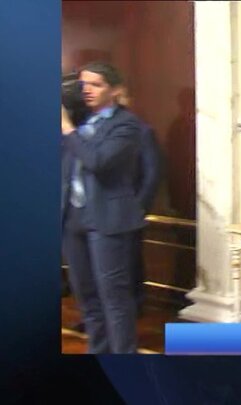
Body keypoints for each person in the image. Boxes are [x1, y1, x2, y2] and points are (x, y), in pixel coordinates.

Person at [61, 61, 145, 353]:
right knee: (87, 297)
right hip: (73, 218)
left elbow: (98, 161)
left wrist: (67, 129)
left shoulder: (126, 124)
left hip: (107, 220)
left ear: (115, 90)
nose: (87, 90)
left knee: (114, 298)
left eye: (96, 85)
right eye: (83, 84)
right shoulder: (81, 122)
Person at [117, 86, 162, 316]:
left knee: (129, 262)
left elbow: (152, 173)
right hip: (95, 211)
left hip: (128, 210)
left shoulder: (142, 131)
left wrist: (139, 208)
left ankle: (132, 309)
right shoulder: (89, 129)